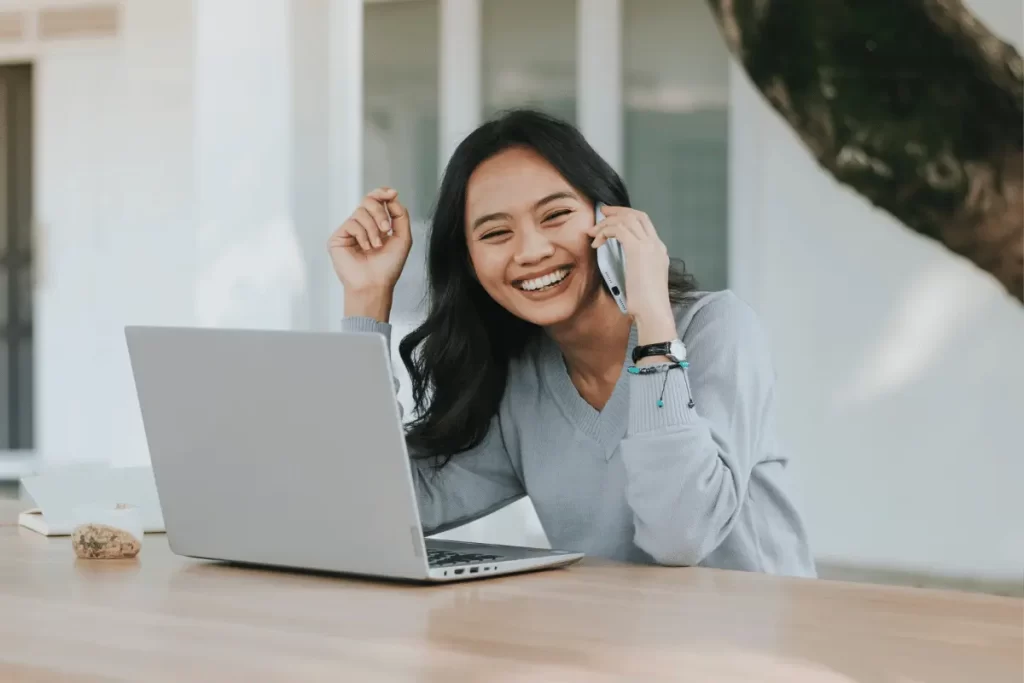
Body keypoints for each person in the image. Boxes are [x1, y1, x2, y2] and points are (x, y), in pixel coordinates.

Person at [327, 109, 815, 577]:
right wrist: (367, 300)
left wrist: (653, 325)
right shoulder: (522, 381)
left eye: (555, 215)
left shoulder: (718, 330)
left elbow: (680, 535)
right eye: (496, 232)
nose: (532, 251)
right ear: (470, 261)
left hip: (754, 651)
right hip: (613, 649)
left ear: (609, 218)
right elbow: (377, 506)